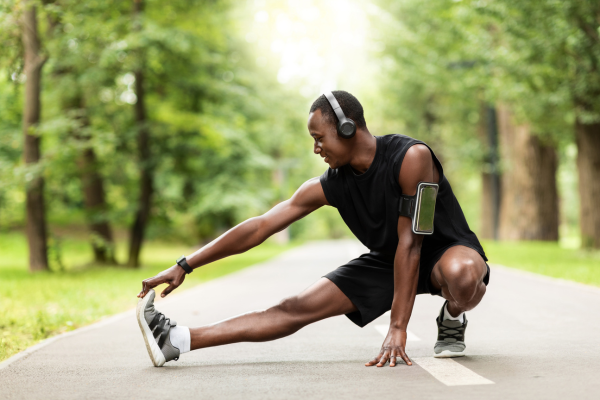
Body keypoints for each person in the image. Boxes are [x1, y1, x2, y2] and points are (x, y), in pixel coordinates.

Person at [136, 90, 490, 368]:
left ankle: (452, 317)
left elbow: (412, 244)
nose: (316, 148)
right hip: (389, 259)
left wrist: (398, 327)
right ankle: (177, 340)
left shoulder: (412, 158)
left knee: (461, 274)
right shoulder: (331, 184)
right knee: (294, 308)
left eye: (319, 137)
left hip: (442, 248)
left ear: (347, 128)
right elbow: (260, 227)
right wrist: (185, 265)